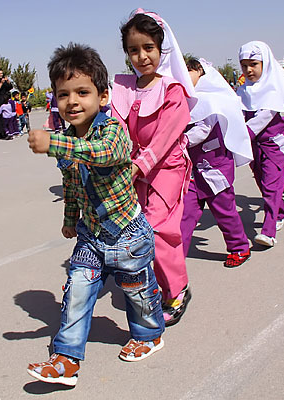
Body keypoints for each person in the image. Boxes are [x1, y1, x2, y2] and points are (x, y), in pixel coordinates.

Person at [26, 43, 165, 386]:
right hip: (90, 236)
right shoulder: (66, 139)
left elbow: (100, 154)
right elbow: (72, 182)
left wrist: (54, 143)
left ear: (103, 97)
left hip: (127, 234)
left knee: (137, 291)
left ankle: (149, 336)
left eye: (82, 92)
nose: (72, 101)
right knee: (76, 289)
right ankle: (66, 359)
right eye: (63, 94)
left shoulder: (112, 131)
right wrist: (69, 219)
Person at [111, 9, 194, 326]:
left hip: (166, 170)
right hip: (133, 170)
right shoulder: (122, 88)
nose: (142, 56)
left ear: (161, 48)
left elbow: (162, 140)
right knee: (133, 231)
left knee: (158, 230)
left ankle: (177, 290)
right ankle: (154, 284)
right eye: (134, 50)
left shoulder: (172, 90)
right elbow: (117, 129)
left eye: (149, 47)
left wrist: (137, 166)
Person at [180, 57, 253, 267]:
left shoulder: (210, 100)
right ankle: (175, 257)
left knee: (224, 211)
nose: (184, 76)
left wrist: (180, 141)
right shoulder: (185, 99)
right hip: (192, 171)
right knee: (185, 214)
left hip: (215, 168)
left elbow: (202, 130)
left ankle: (240, 247)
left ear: (200, 72)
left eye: (188, 71)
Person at [237, 41, 284, 247]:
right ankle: (281, 213)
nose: (249, 70)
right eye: (244, 65)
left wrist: (240, 136)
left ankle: (268, 231)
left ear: (265, 63)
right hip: (253, 147)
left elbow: (261, 119)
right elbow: (237, 115)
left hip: (272, 146)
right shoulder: (242, 91)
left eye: (254, 64)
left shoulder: (272, 91)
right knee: (262, 182)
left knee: (271, 186)